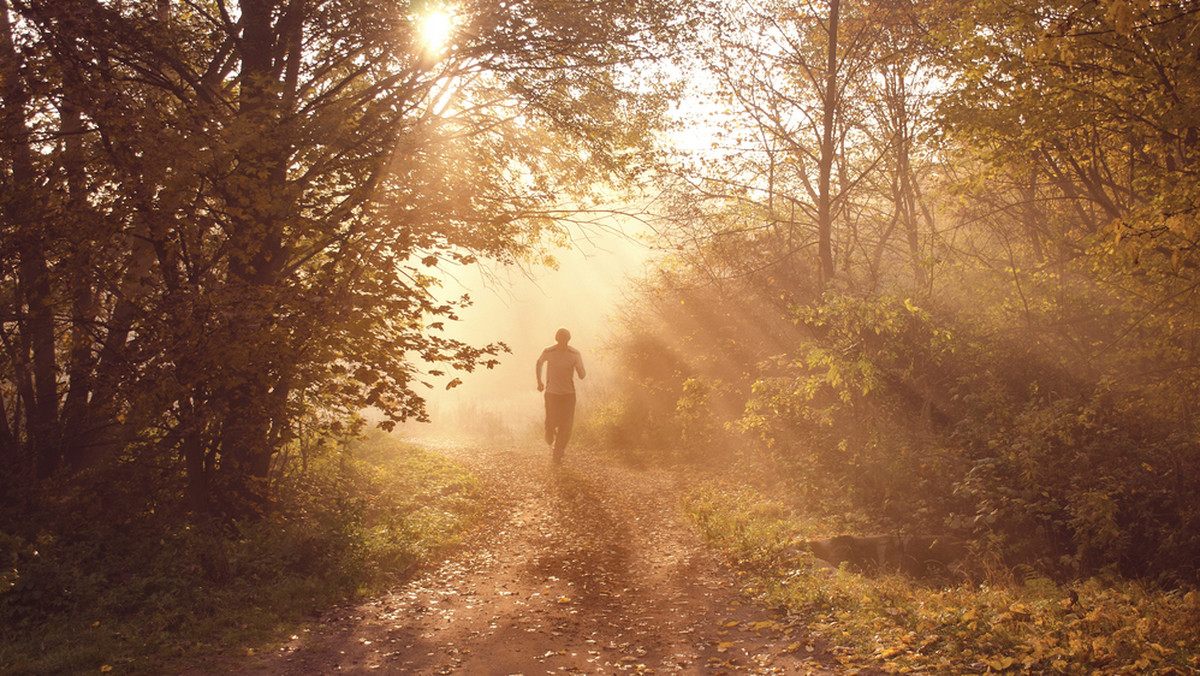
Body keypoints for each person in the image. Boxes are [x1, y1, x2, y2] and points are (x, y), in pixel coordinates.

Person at [535, 328, 586, 463]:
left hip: (568, 394)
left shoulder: (575, 354)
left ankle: (558, 451)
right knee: (553, 420)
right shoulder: (549, 351)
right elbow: (539, 363)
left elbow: (582, 374)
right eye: (560, 339)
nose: (563, 342)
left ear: (569, 340)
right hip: (552, 393)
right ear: (556, 339)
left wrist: (581, 372)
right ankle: (549, 429)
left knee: (567, 425)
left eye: (565, 339)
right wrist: (539, 381)